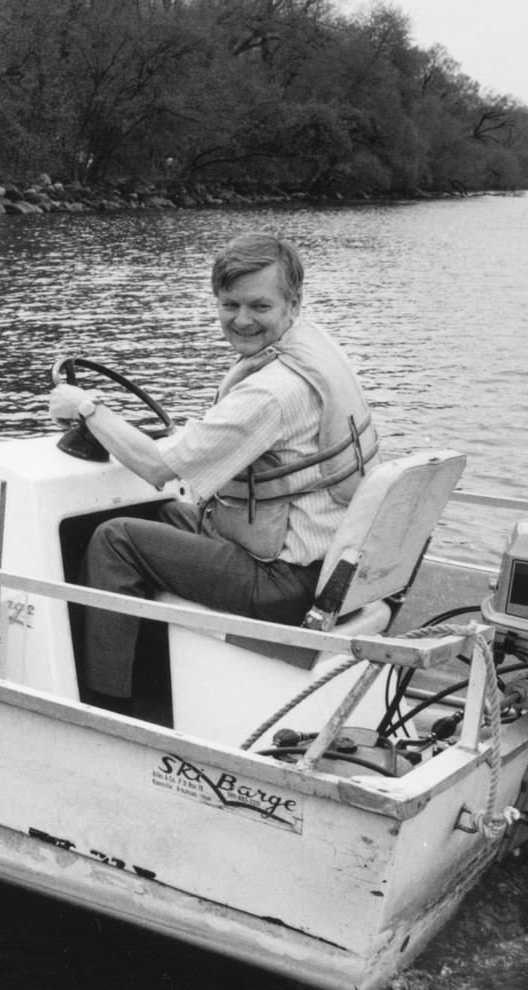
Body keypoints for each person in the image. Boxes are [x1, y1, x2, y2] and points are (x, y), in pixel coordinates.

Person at [48, 234, 381, 709]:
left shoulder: (271, 393)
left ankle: (104, 703)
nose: (242, 320)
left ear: (293, 302)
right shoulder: (315, 350)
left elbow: (157, 466)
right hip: (330, 565)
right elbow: (221, 446)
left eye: (258, 306)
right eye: (229, 305)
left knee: (115, 539)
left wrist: (85, 407)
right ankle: (152, 667)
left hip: (284, 583)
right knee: (166, 516)